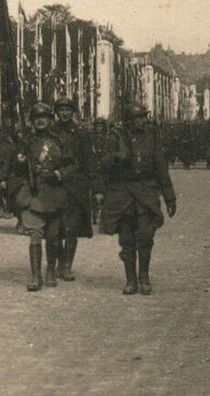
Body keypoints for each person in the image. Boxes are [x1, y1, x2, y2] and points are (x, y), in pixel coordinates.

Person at [101, 102, 176, 294]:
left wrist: (169, 197)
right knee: (126, 239)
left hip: (146, 192)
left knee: (145, 236)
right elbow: (103, 162)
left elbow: (160, 166)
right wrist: (118, 157)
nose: (143, 121)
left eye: (144, 117)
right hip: (123, 194)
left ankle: (144, 277)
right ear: (129, 120)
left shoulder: (152, 137)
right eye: (139, 118)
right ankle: (131, 280)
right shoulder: (115, 136)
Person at [12, 104, 71, 292]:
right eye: (37, 117)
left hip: (54, 193)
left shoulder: (59, 141)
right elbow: (16, 169)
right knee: (35, 234)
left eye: (44, 117)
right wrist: (20, 162)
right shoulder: (25, 142)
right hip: (33, 193)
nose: (40, 120)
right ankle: (36, 275)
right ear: (32, 121)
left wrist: (58, 174)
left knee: (53, 237)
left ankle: (51, 270)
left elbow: (73, 165)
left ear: (50, 120)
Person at [50, 96, 99, 282]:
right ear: (56, 112)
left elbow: (89, 161)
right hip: (55, 185)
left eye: (67, 110)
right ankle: (55, 264)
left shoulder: (81, 134)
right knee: (55, 229)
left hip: (75, 186)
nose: (64, 113)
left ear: (73, 112)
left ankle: (66, 266)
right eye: (61, 110)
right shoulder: (50, 132)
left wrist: (94, 187)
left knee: (71, 229)